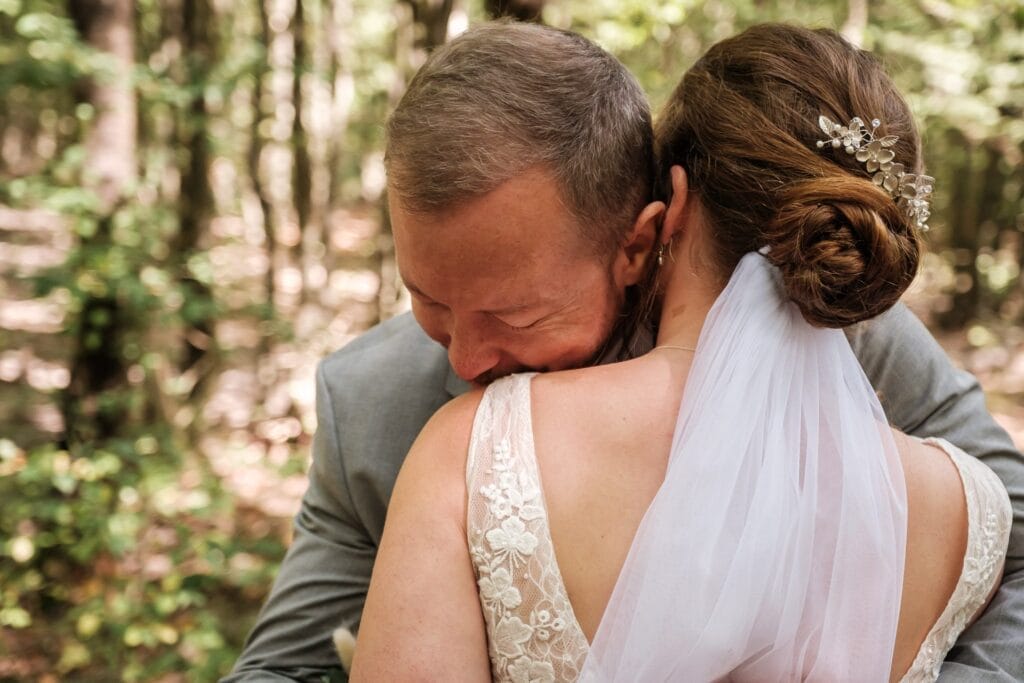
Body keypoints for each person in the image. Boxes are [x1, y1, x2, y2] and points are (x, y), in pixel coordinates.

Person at [224, 21, 1024, 682]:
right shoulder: (370, 402)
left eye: (516, 313)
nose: (465, 359)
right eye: (427, 299)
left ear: (644, 239)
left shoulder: (841, 325)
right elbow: (283, 669)